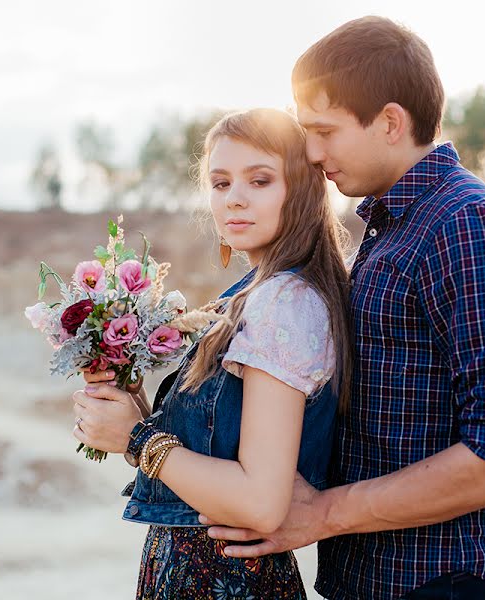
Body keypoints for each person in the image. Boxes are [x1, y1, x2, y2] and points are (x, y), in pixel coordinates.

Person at [202, 16, 485, 600]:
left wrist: (326, 513)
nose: (312, 153)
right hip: (371, 581)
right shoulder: (391, 226)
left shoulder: (464, 225)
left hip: (445, 583)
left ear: (391, 122)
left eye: (325, 131)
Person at [71, 107, 353, 598]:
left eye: (260, 180)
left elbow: (262, 502)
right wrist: (138, 415)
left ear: (303, 192)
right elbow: (211, 459)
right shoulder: (255, 291)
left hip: (228, 580)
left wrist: (139, 441)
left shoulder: (283, 303)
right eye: (221, 184)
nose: (235, 199)